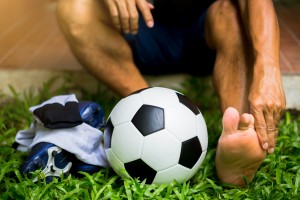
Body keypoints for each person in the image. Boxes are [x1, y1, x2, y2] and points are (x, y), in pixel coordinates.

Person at [55, 0, 286, 186]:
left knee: (231, 13)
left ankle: (236, 137)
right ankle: (143, 105)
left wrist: (269, 69)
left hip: (208, 31)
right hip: (142, 28)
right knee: (74, 8)